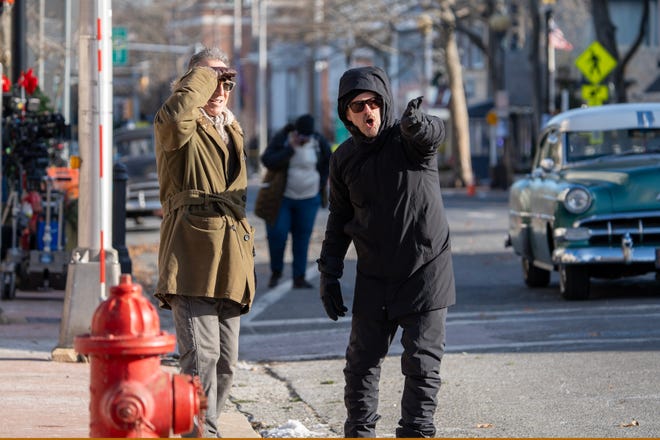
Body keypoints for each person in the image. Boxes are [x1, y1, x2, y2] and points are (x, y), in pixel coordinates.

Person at [317, 66, 456, 438]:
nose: (368, 112)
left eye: (374, 103)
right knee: (360, 365)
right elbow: (339, 217)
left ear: (385, 104)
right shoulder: (343, 159)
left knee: (422, 365)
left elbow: (434, 133)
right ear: (346, 113)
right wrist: (328, 272)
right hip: (376, 275)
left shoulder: (409, 140)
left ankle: (416, 432)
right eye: (358, 106)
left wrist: (418, 124)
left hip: (425, 270)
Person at [153, 47, 255, 438]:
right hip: (192, 252)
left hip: (232, 257)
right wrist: (203, 74)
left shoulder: (232, 126)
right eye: (211, 80)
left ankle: (201, 426)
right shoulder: (180, 122)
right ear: (192, 81)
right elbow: (173, 116)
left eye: (226, 81)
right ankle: (201, 433)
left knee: (227, 361)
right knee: (201, 356)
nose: (220, 88)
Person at [261, 113, 331, 289]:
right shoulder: (284, 138)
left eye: (307, 136)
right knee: (277, 235)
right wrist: (290, 149)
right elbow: (267, 160)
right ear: (295, 132)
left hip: (309, 198)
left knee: (302, 237)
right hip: (282, 198)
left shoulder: (317, 141)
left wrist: (320, 184)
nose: (304, 140)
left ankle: (299, 277)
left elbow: (329, 163)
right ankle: (276, 271)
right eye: (301, 136)